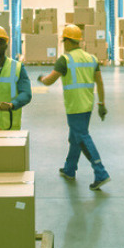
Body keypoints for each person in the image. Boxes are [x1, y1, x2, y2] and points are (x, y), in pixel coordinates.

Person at [38, 24, 111, 190]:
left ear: (68, 41)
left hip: (74, 106)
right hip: (87, 105)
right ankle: (70, 169)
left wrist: (41, 78)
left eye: (64, 41)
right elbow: (99, 82)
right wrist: (101, 103)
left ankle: (101, 173)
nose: (64, 44)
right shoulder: (92, 58)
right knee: (75, 138)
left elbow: (49, 80)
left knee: (83, 137)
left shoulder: (65, 59)